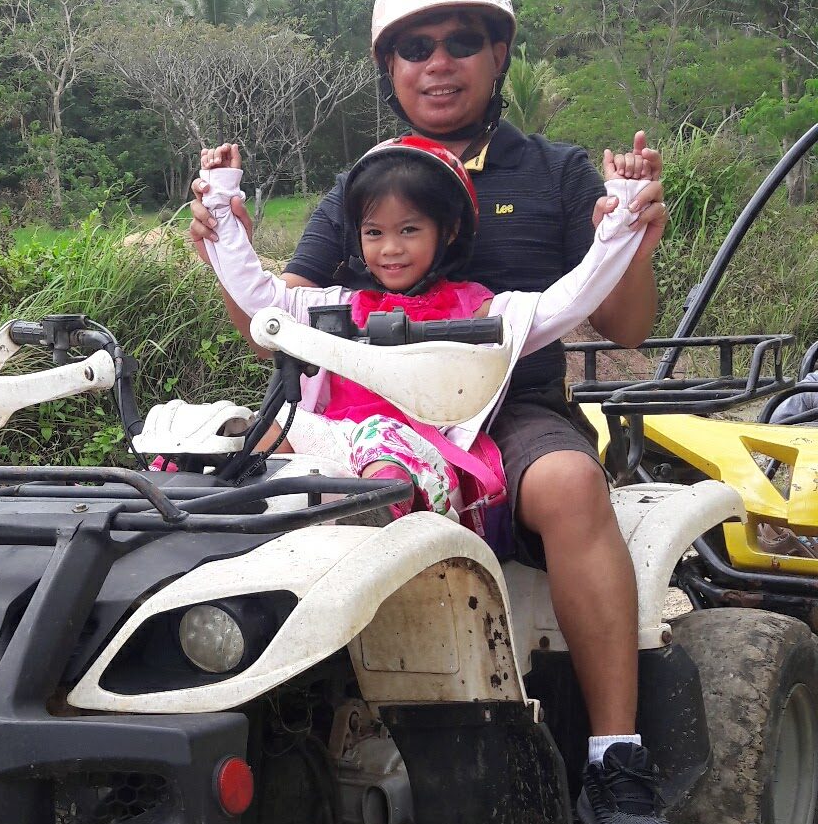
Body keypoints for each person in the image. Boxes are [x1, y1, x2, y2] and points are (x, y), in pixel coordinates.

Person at [188, 0, 680, 824]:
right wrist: (225, 247)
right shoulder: (364, 184)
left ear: (498, 54)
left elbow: (623, 323)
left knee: (573, 481)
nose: (438, 62)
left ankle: (616, 761)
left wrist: (633, 236)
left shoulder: (559, 174)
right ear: (392, 67)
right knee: (228, 482)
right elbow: (278, 329)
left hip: (513, 411)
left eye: (461, 41)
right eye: (415, 46)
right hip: (374, 416)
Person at [199, 134, 653, 542]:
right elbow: (258, 297)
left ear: (448, 232)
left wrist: (620, 223)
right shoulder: (331, 306)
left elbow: (569, 300)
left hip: (424, 453)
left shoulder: (480, 312)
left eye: (409, 230)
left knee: (380, 447)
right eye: (374, 233)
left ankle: (369, 533)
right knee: (243, 432)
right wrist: (221, 207)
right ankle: (231, 538)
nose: (390, 248)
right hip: (334, 443)